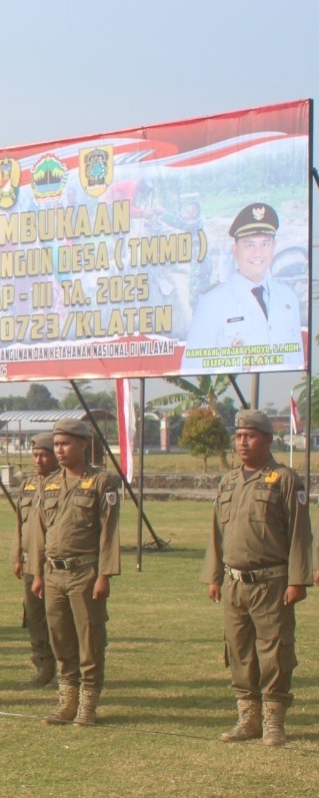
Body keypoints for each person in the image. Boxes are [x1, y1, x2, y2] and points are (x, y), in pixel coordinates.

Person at [202, 409, 312, 746]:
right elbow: (217, 533)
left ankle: (274, 721)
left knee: (275, 651)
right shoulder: (229, 481)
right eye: (238, 436)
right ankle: (248, 717)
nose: (242, 442)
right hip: (235, 584)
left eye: (249, 436)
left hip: (272, 582)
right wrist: (214, 576)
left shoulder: (285, 479)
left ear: (267, 439)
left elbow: (299, 533)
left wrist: (297, 581)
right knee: (239, 652)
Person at [27, 419, 121, 727]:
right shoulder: (49, 482)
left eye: (65, 444)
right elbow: (40, 532)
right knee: (60, 639)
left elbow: (109, 532)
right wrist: (37, 573)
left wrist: (105, 574)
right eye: (56, 445)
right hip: (54, 574)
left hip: (85, 573)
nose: (59, 450)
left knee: (89, 639)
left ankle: (87, 705)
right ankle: (67, 701)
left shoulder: (102, 482)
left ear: (83, 444)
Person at [185, 203, 304, 370]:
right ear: (235, 250)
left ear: (274, 247)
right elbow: (192, 370)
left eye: (265, 244)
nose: (258, 253)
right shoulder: (212, 303)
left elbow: (298, 366)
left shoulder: (288, 298)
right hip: (232, 396)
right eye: (249, 245)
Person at [13, 432, 59, 688]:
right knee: (35, 617)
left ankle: (63, 670)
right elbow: (20, 524)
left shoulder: (63, 484)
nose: (38, 460)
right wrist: (17, 556)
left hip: (53, 562)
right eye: (35, 455)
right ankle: (43, 665)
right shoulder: (28, 485)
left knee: (58, 617)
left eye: (44, 455)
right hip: (31, 562)